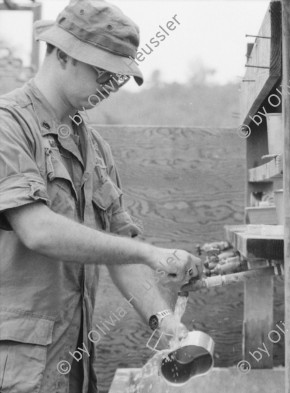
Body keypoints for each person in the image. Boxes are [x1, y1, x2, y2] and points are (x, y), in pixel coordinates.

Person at [0, 2, 203, 392]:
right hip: (15, 368)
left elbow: (120, 250)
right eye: (102, 72)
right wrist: (149, 253)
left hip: (71, 361)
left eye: (119, 77)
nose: (111, 85)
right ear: (62, 53)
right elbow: (38, 231)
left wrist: (164, 321)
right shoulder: (9, 125)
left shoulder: (96, 150)